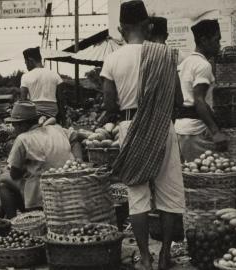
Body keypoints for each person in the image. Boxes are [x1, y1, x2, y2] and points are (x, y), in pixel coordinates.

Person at [100, 2, 185, 269]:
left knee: (137, 197)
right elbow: (179, 100)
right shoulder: (165, 54)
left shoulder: (113, 59)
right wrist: (157, 112)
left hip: (129, 127)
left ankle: (145, 257)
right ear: (148, 25)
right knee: (169, 193)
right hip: (162, 126)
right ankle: (165, 255)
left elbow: (110, 106)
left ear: (121, 28)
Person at [0, 101, 82, 219]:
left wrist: (22, 168)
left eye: (15, 125)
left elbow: (15, 174)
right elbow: (75, 138)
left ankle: (13, 222)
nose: (14, 128)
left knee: (3, 181)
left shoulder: (23, 138)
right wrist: (78, 159)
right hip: (68, 187)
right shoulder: (57, 129)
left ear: (23, 125)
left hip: (43, 196)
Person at [174, 19, 228, 162]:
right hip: (194, 131)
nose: (219, 45)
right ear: (204, 40)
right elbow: (199, 100)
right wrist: (216, 132)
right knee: (207, 174)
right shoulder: (203, 65)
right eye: (217, 40)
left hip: (180, 128)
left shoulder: (184, 63)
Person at [20, 47, 65, 123]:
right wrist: (63, 120)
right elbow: (61, 100)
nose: (26, 66)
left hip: (34, 115)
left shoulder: (25, 76)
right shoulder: (55, 75)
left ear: (30, 61)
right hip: (53, 114)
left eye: (26, 63)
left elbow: (23, 101)